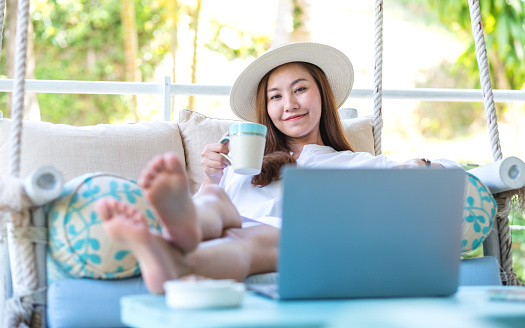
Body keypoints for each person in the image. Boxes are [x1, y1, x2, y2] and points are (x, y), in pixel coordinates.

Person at [96, 42, 460, 294]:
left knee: (244, 243)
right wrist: (210, 178)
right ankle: (183, 227)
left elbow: (451, 171)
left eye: (300, 89)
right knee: (213, 204)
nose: (290, 104)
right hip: (225, 213)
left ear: (322, 94)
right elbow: (217, 195)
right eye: (275, 96)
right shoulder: (246, 159)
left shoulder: (354, 163)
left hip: (288, 237)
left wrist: (420, 165)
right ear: (266, 109)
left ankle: (164, 255)